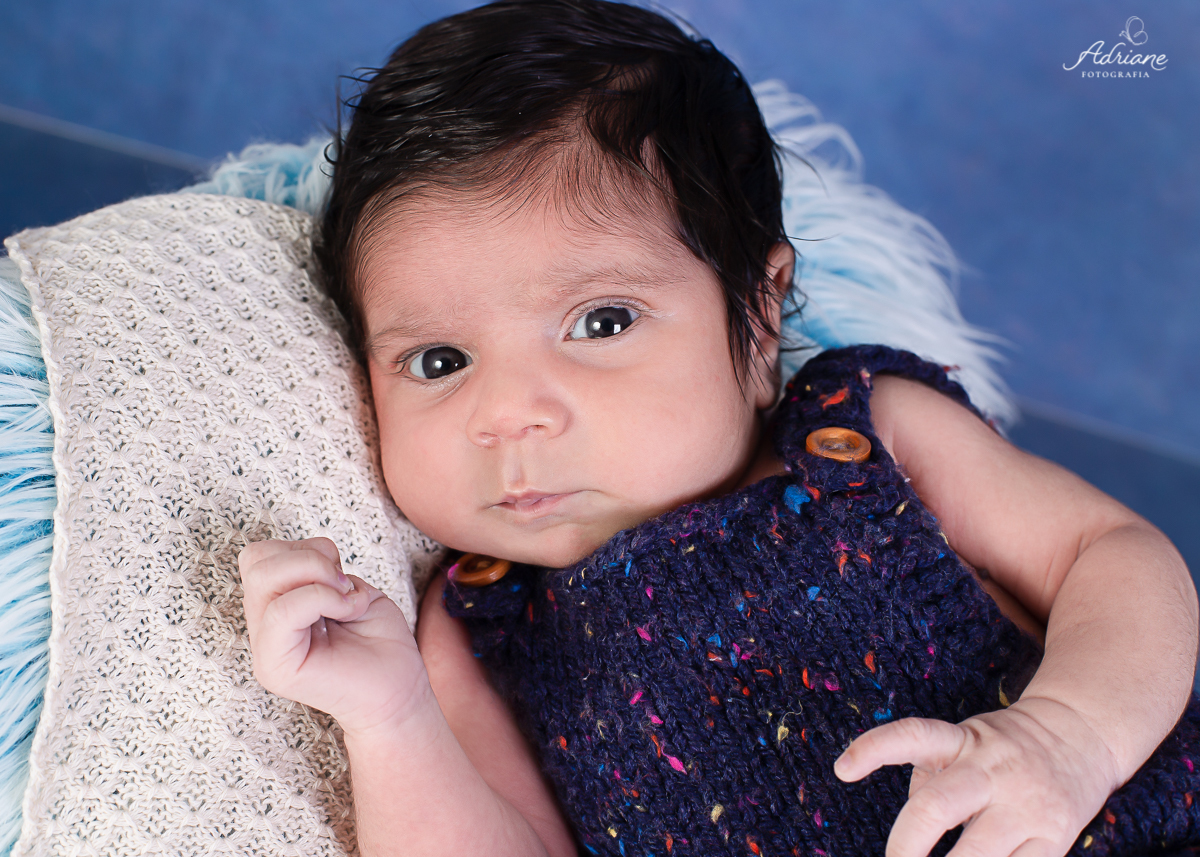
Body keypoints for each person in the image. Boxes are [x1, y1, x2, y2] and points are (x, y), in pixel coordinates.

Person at [237, 1, 1200, 855]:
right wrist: (390, 718)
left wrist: (1070, 733)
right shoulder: (474, 624)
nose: (507, 414)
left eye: (601, 322)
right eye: (440, 361)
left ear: (759, 309)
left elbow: (1107, 551)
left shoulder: (860, 438)